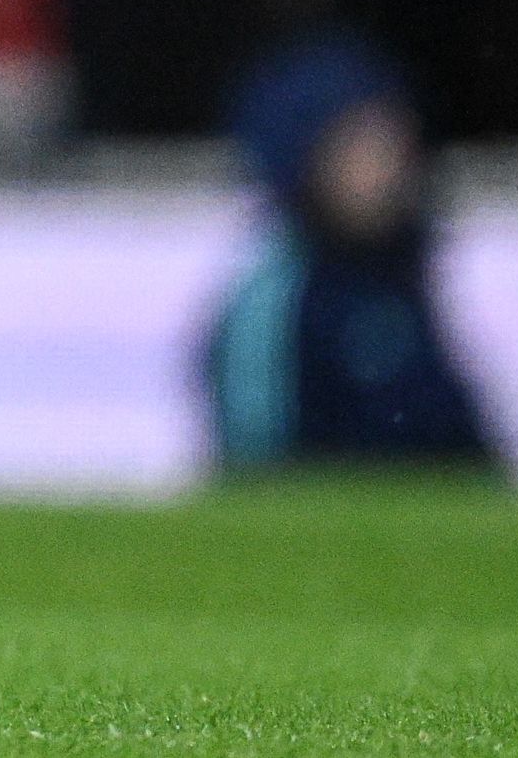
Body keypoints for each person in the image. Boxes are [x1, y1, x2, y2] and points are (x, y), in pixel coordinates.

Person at [203, 33, 502, 471]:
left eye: (394, 145)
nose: (387, 168)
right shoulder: (278, 300)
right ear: (307, 161)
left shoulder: (404, 276)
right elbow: (257, 464)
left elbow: (468, 448)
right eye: (360, 147)